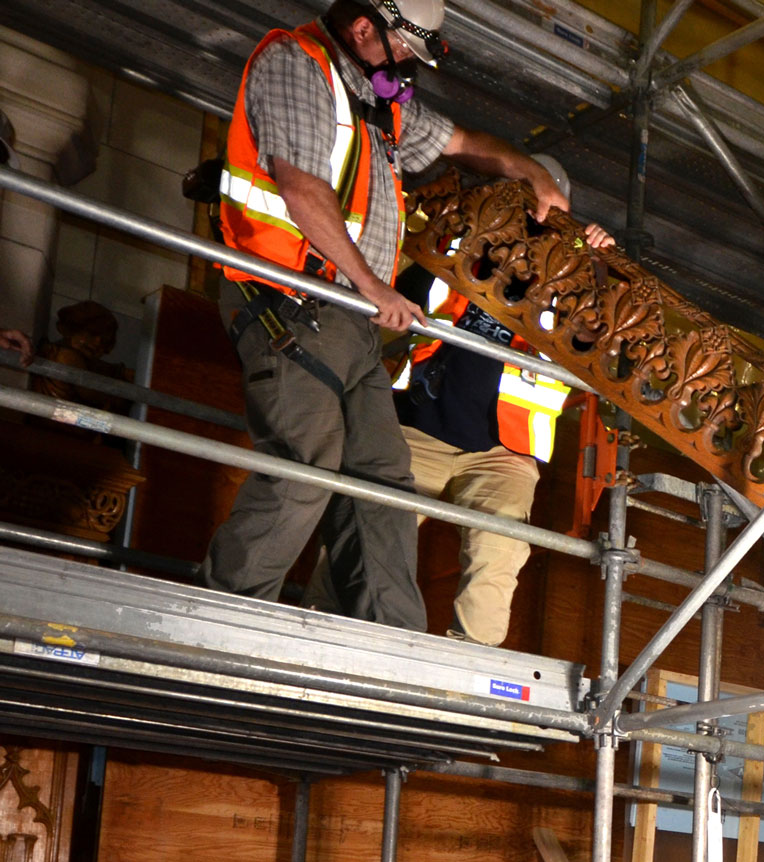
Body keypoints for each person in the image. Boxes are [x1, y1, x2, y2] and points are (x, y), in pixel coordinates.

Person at [199, 0, 569, 630]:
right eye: (405, 49)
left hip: (348, 319)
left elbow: (458, 143)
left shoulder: (380, 101)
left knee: (382, 483)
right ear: (365, 27)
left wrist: (527, 169)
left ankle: (392, 640)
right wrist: (375, 287)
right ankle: (227, 619)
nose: (407, 67)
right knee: (306, 468)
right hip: (289, 302)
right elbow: (301, 188)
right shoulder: (296, 65)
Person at [316, 154, 610, 644]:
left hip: (505, 452)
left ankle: (470, 665)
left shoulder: (575, 277)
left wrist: (598, 265)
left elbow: (598, 345)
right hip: (418, 426)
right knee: (368, 523)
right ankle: (322, 624)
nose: (525, 211)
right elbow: (396, 295)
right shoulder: (458, 242)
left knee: (500, 548)